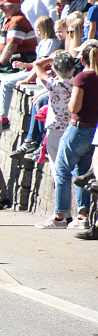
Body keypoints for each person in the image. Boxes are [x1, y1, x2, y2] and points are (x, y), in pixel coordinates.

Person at [39, 42, 98, 229]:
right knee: (82, 172)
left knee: (63, 171)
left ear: (82, 59)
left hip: (78, 128)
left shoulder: (83, 78)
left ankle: (60, 216)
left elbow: (74, 107)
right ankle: (83, 217)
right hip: (94, 131)